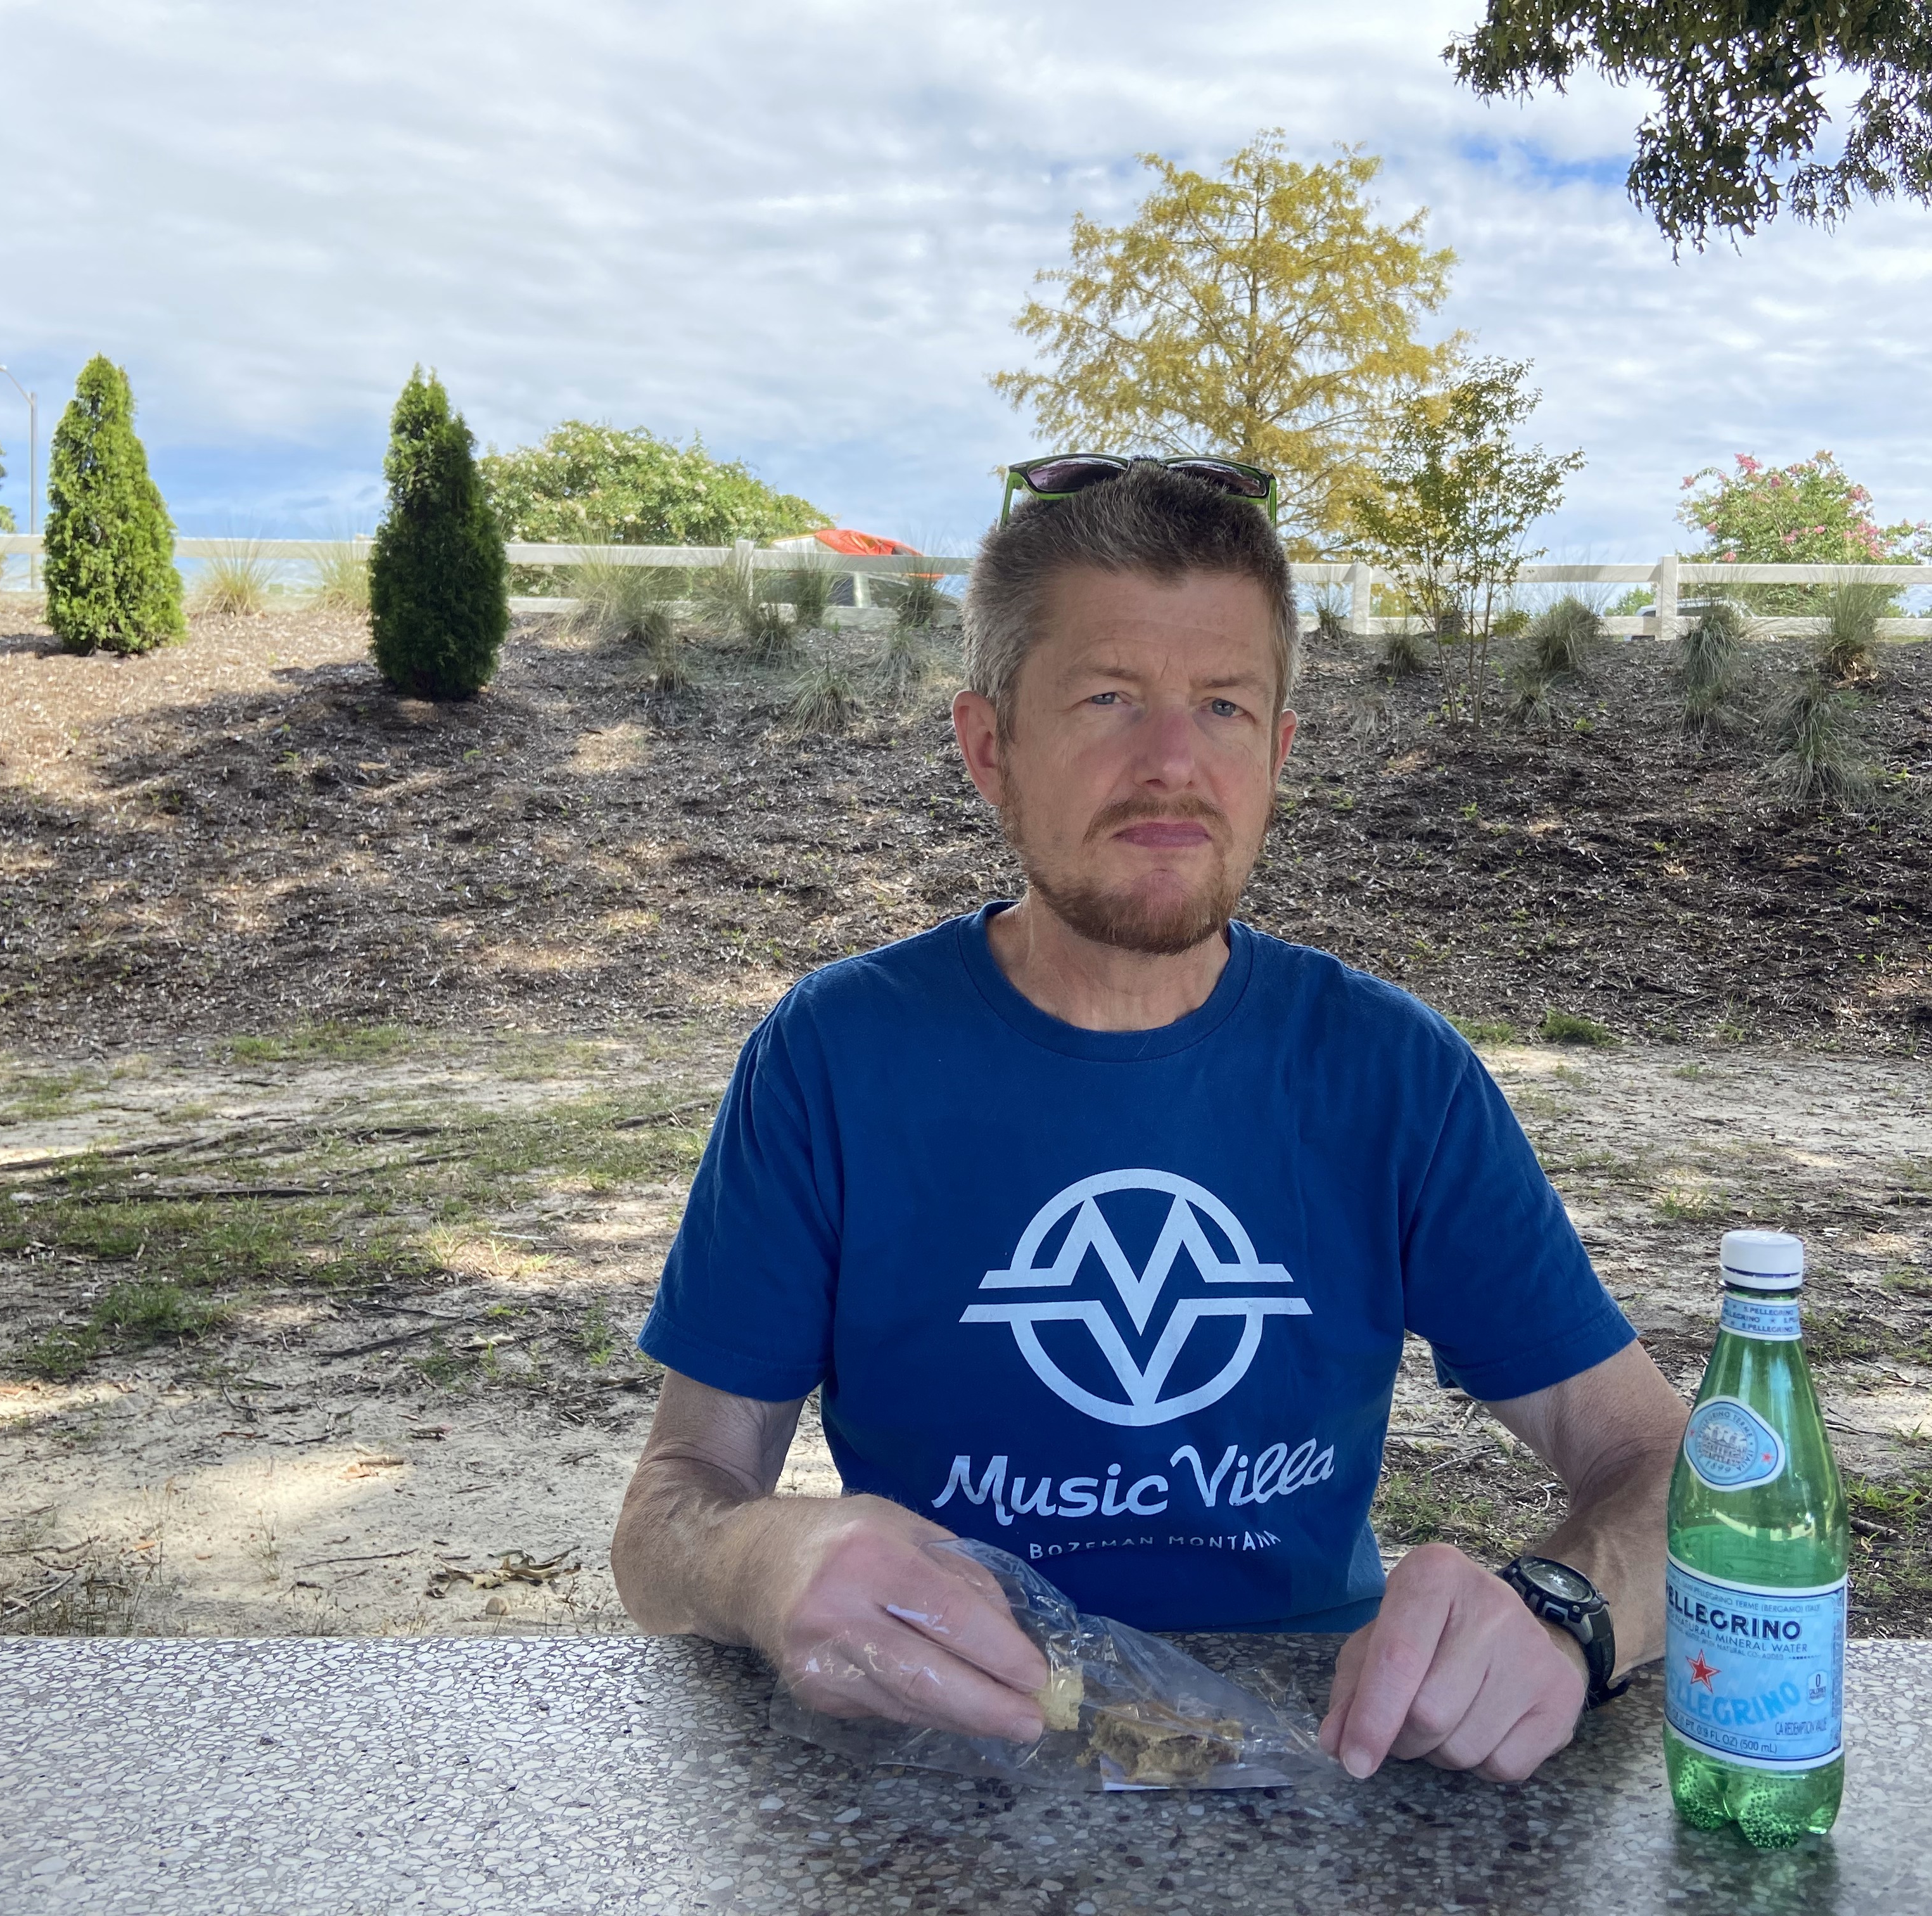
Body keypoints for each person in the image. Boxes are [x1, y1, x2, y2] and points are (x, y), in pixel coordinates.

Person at [610, 457, 1688, 1784]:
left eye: (1225, 706)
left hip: (1319, 1758)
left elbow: (1666, 1461)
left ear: (1278, 754)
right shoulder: (831, 1059)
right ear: (990, 747)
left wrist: (1571, 1615)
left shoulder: (1392, 1073)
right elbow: (668, 1517)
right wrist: (769, 1562)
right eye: (1109, 698)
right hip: (929, 1752)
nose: (1174, 766)